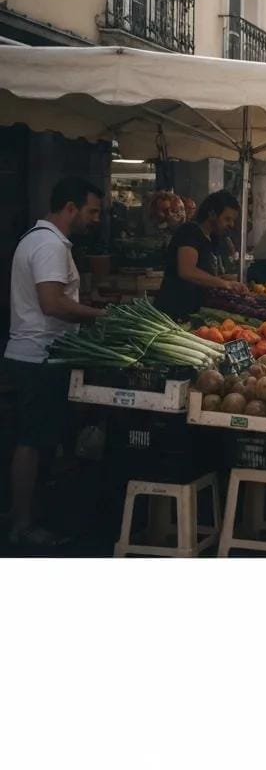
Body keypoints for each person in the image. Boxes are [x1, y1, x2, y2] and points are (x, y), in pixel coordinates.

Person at [4, 177, 108, 548]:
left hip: (37, 353)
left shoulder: (38, 239)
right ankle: (22, 524)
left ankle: (25, 515)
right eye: (92, 212)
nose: (95, 220)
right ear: (70, 208)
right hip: (39, 356)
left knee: (37, 438)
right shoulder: (49, 245)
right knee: (32, 441)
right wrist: (99, 315)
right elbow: (52, 303)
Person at [154, 191, 246, 319]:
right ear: (212, 214)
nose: (231, 224)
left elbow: (205, 274)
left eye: (233, 220)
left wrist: (228, 280)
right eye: (227, 219)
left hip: (195, 312)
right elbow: (187, 271)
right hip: (174, 312)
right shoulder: (190, 232)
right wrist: (225, 284)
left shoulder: (212, 238)